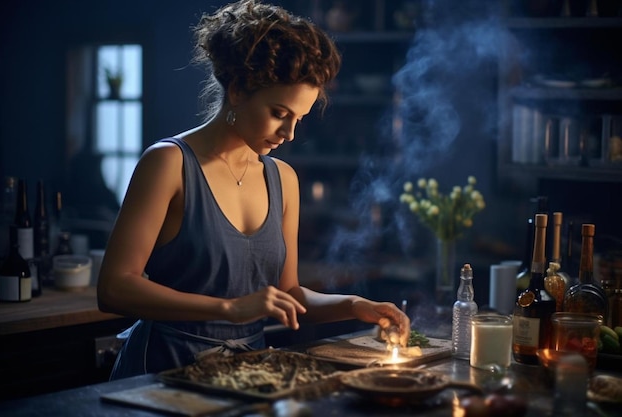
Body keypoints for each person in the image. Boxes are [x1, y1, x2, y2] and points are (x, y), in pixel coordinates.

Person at [97, 0, 410, 380]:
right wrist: (229, 308)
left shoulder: (283, 179)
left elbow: (289, 295)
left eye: (299, 119)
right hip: (163, 370)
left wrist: (356, 305)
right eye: (280, 114)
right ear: (240, 89)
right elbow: (114, 288)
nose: (290, 133)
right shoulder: (168, 163)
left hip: (247, 375)